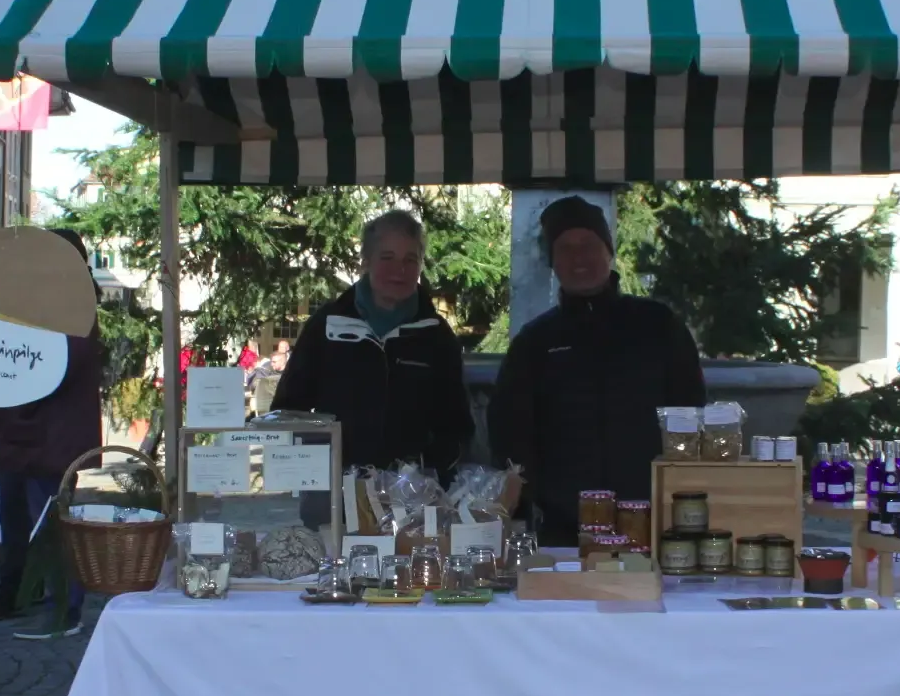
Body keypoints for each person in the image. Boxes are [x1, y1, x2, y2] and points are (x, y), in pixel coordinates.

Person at [488, 195, 707, 545]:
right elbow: (509, 430)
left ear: (608, 252)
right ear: (553, 263)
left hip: (652, 519)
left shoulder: (657, 326)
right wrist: (534, 496)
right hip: (563, 528)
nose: (579, 258)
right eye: (566, 249)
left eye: (588, 245)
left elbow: (691, 409)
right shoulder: (536, 341)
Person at [0, 230, 104, 638]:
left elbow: (51, 370)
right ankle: (24, 595)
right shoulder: (39, 304)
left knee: (52, 525)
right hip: (18, 435)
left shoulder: (72, 309)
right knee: (21, 521)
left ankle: (62, 610)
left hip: (46, 437)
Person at [271, 210, 474, 481]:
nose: (399, 271)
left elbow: (457, 425)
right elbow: (287, 412)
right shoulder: (327, 327)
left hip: (411, 500)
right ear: (366, 262)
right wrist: (318, 467)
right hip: (334, 499)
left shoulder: (436, 335)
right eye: (387, 258)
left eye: (410, 260)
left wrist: (428, 472)